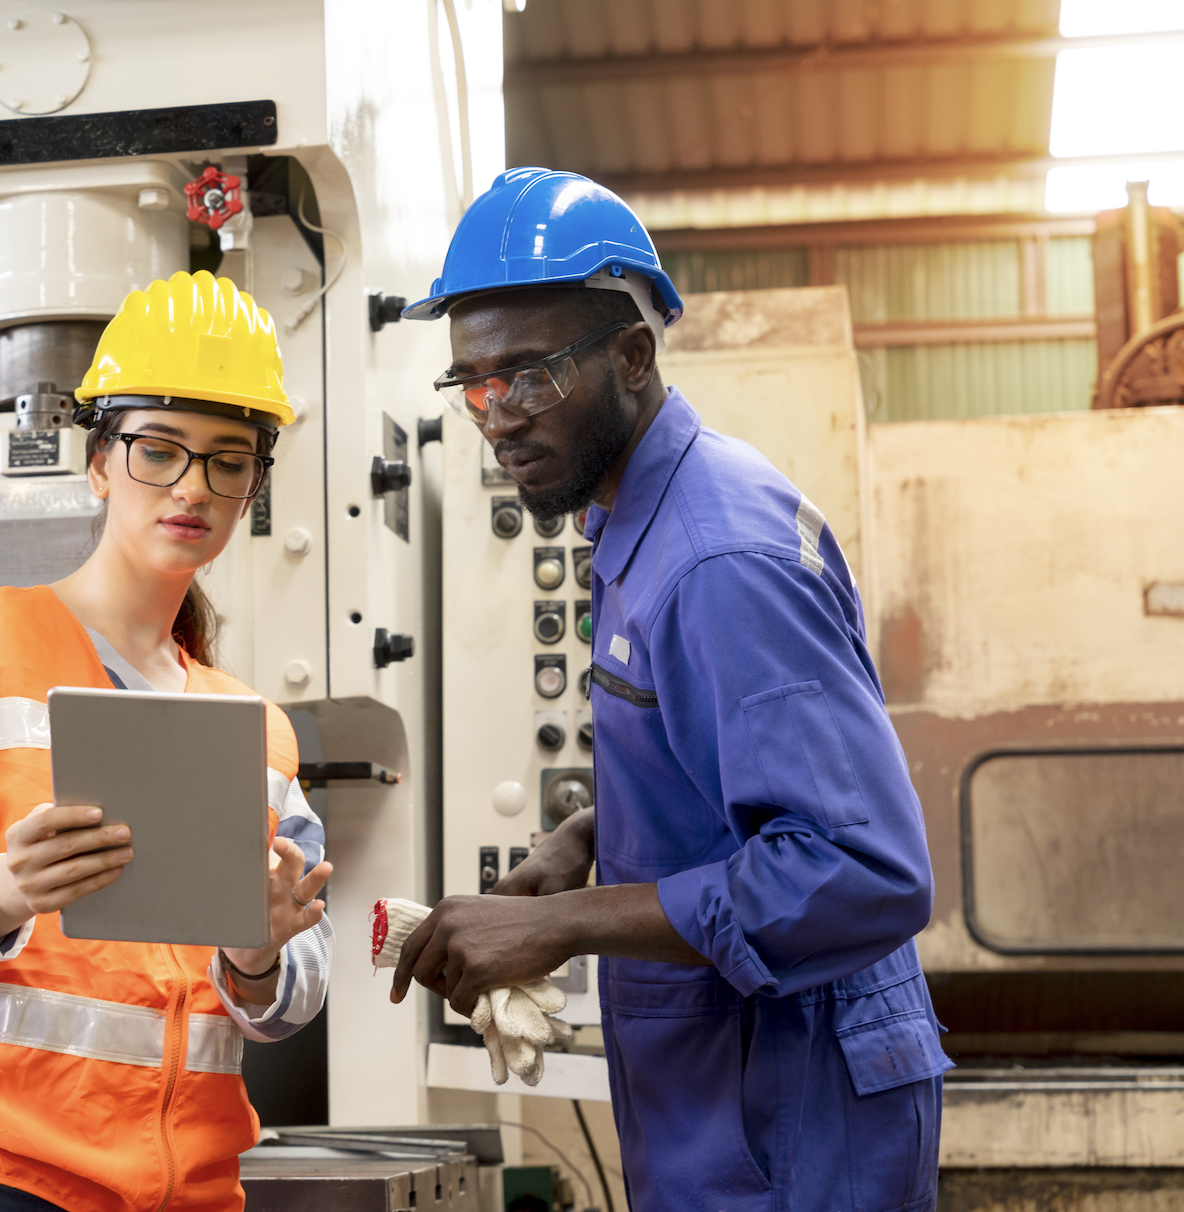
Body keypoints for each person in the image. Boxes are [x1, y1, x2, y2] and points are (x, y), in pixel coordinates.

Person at [392, 169, 950, 1212]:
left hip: (793, 1109)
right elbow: (722, 762)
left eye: (531, 376)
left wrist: (567, 926)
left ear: (634, 355)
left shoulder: (714, 560)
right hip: (729, 1096)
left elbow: (865, 869)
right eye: (472, 382)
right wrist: (585, 842)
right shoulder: (640, 527)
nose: (497, 416)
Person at [0, 270, 336, 1212]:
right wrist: (0, 889)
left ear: (252, 489)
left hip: (182, 1191)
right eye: (160, 450)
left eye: (230, 461)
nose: (194, 485)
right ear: (101, 461)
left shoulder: (257, 734)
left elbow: (291, 995)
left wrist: (260, 955)